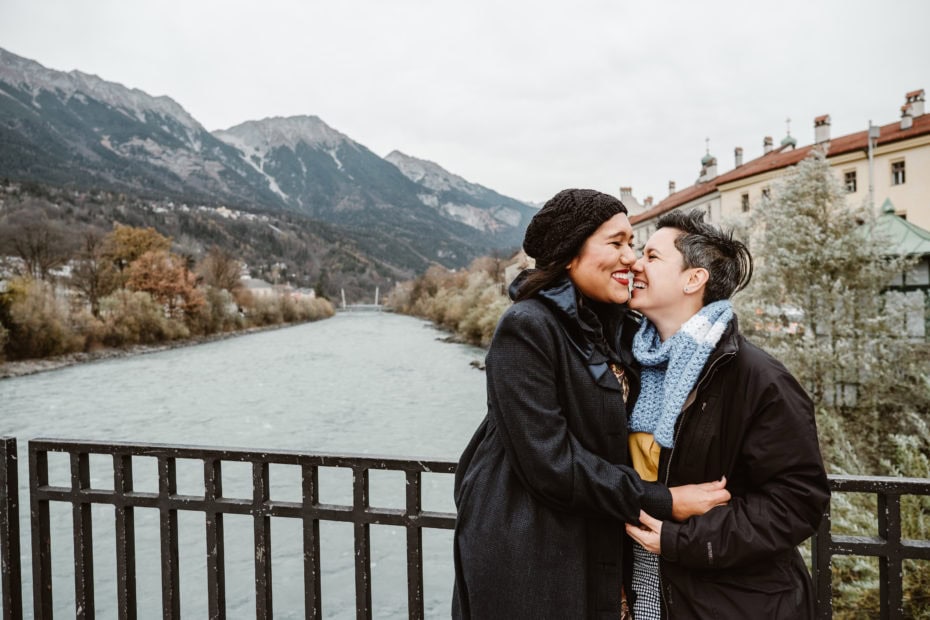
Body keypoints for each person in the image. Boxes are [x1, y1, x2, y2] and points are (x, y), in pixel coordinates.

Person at [451, 190, 730, 619]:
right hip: (530, 545)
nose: (632, 258)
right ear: (569, 253)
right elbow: (550, 462)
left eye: (633, 244)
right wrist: (663, 500)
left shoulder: (619, 329)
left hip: (594, 532)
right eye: (615, 243)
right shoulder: (527, 327)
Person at [623, 210, 830, 618]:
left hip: (730, 601)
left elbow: (798, 501)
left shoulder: (758, 377)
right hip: (645, 593)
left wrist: (683, 540)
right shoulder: (628, 365)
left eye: (651, 256)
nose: (635, 264)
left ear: (693, 279)